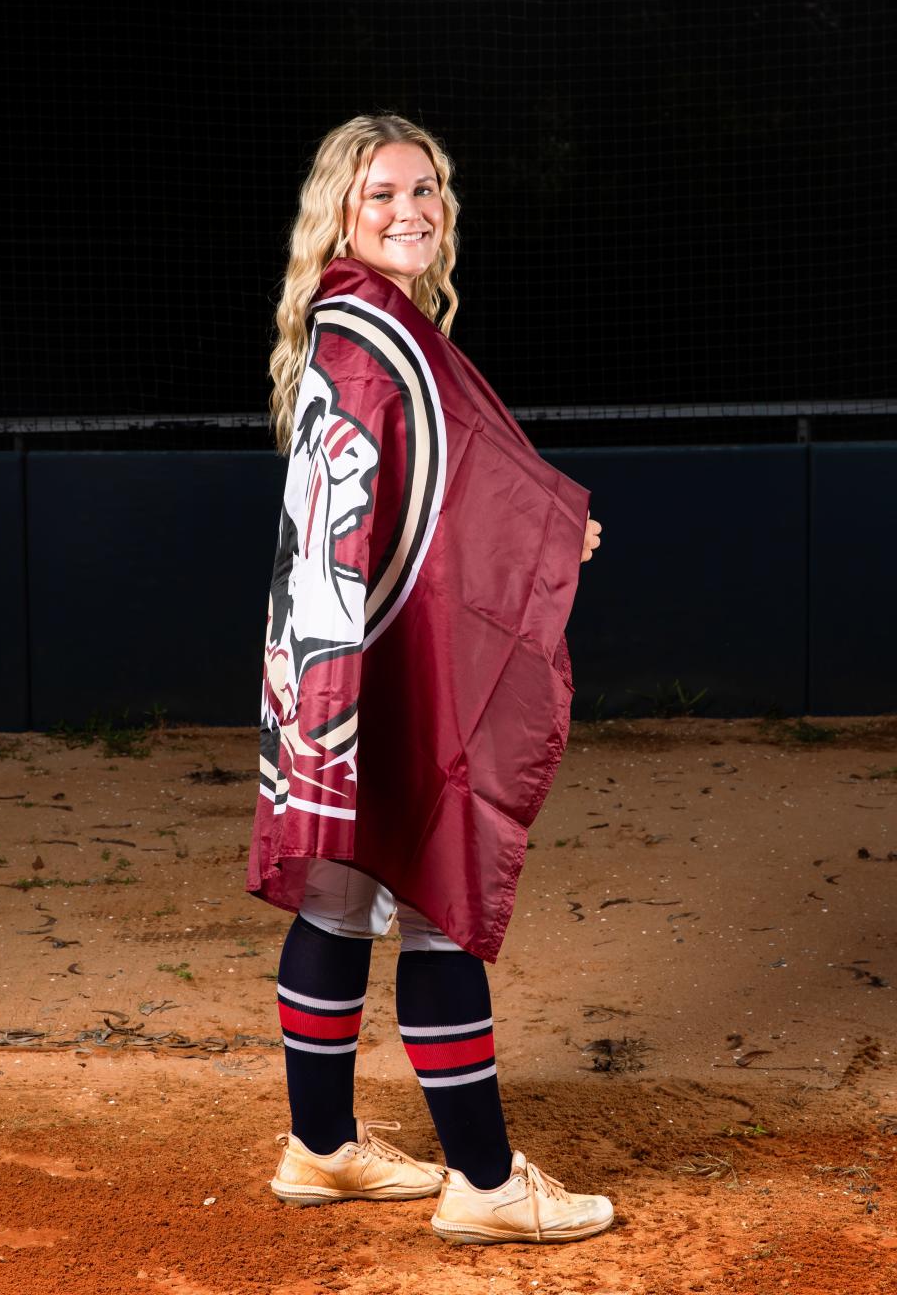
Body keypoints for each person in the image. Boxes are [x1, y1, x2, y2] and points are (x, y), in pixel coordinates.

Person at [251, 114, 611, 1245]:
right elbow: (476, 482)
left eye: (427, 190)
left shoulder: (344, 322)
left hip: (329, 654)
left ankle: (320, 1148)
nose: (411, 210)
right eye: (381, 195)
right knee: (434, 900)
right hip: (386, 649)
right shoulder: (377, 327)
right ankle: (488, 1186)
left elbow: (426, 477)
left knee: (341, 893)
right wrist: (556, 531)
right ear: (340, 215)